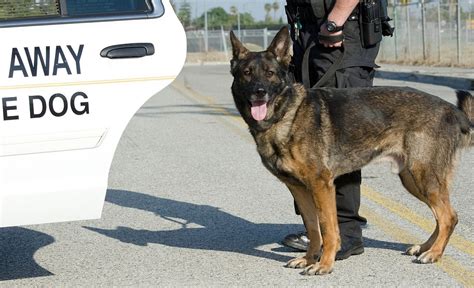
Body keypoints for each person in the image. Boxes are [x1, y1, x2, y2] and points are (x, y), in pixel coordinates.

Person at [283, 0, 392, 260]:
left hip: (342, 30)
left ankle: (346, 234)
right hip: (310, 31)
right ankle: (320, 232)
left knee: (338, 140)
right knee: (306, 139)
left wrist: (335, 20)